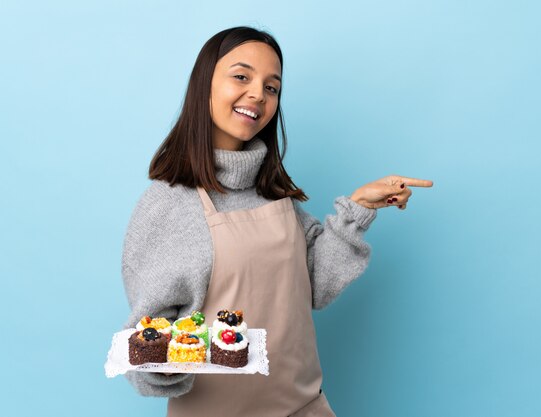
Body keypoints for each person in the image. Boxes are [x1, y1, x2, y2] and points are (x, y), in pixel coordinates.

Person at [120, 26, 433, 417]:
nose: (258, 94)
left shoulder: (273, 192)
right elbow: (148, 342)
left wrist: (357, 208)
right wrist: (159, 364)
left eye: (272, 87)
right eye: (241, 76)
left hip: (305, 407)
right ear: (204, 85)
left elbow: (315, 284)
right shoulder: (168, 205)